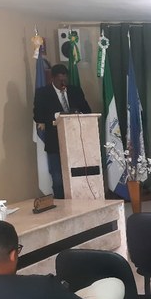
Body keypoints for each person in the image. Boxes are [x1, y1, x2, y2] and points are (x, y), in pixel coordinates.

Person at [33, 64, 92, 199]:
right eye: (60, 80)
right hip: (55, 142)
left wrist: (76, 112)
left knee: (78, 174)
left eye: (65, 79)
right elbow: (38, 116)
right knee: (58, 177)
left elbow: (87, 111)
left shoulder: (75, 91)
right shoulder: (43, 93)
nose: (63, 83)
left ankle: (80, 201)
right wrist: (57, 115)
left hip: (76, 140)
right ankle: (61, 203)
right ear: (52, 79)